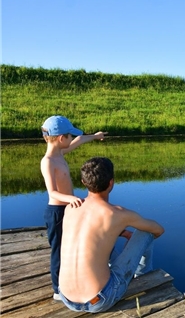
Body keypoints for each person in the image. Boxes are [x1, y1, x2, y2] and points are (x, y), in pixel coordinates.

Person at [58, 157, 165, 313]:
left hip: (66, 298)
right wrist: (132, 234)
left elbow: (93, 228)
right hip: (99, 300)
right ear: (111, 183)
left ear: (83, 181)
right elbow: (158, 230)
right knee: (145, 232)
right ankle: (143, 276)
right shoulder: (117, 214)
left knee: (100, 239)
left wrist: (123, 232)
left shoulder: (71, 208)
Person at [40, 115, 107, 300]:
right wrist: (71, 198)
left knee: (69, 247)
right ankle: (57, 290)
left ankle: (73, 279)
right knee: (58, 250)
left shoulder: (60, 152)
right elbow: (52, 192)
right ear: (61, 138)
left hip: (67, 209)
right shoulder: (48, 162)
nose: (71, 139)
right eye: (69, 135)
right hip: (56, 212)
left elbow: (80, 139)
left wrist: (95, 136)